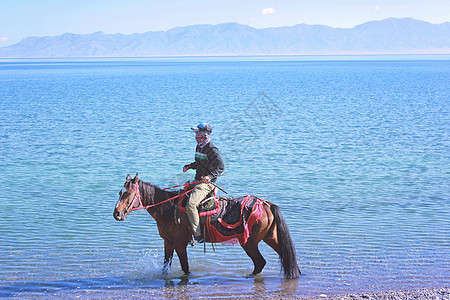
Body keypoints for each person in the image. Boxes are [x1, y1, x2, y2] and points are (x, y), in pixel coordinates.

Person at [183, 122, 225, 246]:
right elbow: (199, 163)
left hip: (207, 183)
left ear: (204, 135)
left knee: (191, 205)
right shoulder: (199, 147)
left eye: (198, 134)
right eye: (196, 134)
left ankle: (198, 235)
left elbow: (221, 166)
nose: (196, 137)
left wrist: (210, 176)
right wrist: (189, 166)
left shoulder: (212, 149)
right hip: (197, 180)